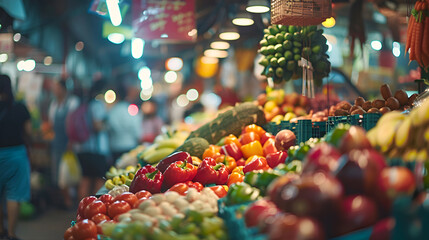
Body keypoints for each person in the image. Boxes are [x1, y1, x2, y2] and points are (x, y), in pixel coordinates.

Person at [0, 74, 32, 240]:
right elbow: (29, 132)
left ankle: (1, 230)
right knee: (14, 194)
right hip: (16, 156)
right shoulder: (19, 107)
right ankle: (11, 233)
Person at [73, 80, 110, 200]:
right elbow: (97, 126)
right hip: (96, 150)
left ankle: (81, 208)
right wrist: (107, 126)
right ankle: (94, 207)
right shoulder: (97, 105)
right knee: (98, 180)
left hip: (82, 148)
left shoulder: (83, 104)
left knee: (85, 179)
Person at [48, 79, 79, 208]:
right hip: (57, 142)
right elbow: (51, 124)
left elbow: (74, 124)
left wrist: (71, 141)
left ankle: (71, 200)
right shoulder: (54, 104)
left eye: (57, 87)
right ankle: (65, 200)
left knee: (70, 172)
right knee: (58, 173)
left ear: (64, 89)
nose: (55, 90)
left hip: (71, 143)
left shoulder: (73, 102)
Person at [106, 84, 142, 163]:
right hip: (130, 146)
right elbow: (137, 129)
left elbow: (109, 128)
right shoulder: (131, 110)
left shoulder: (112, 111)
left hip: (115, 147)